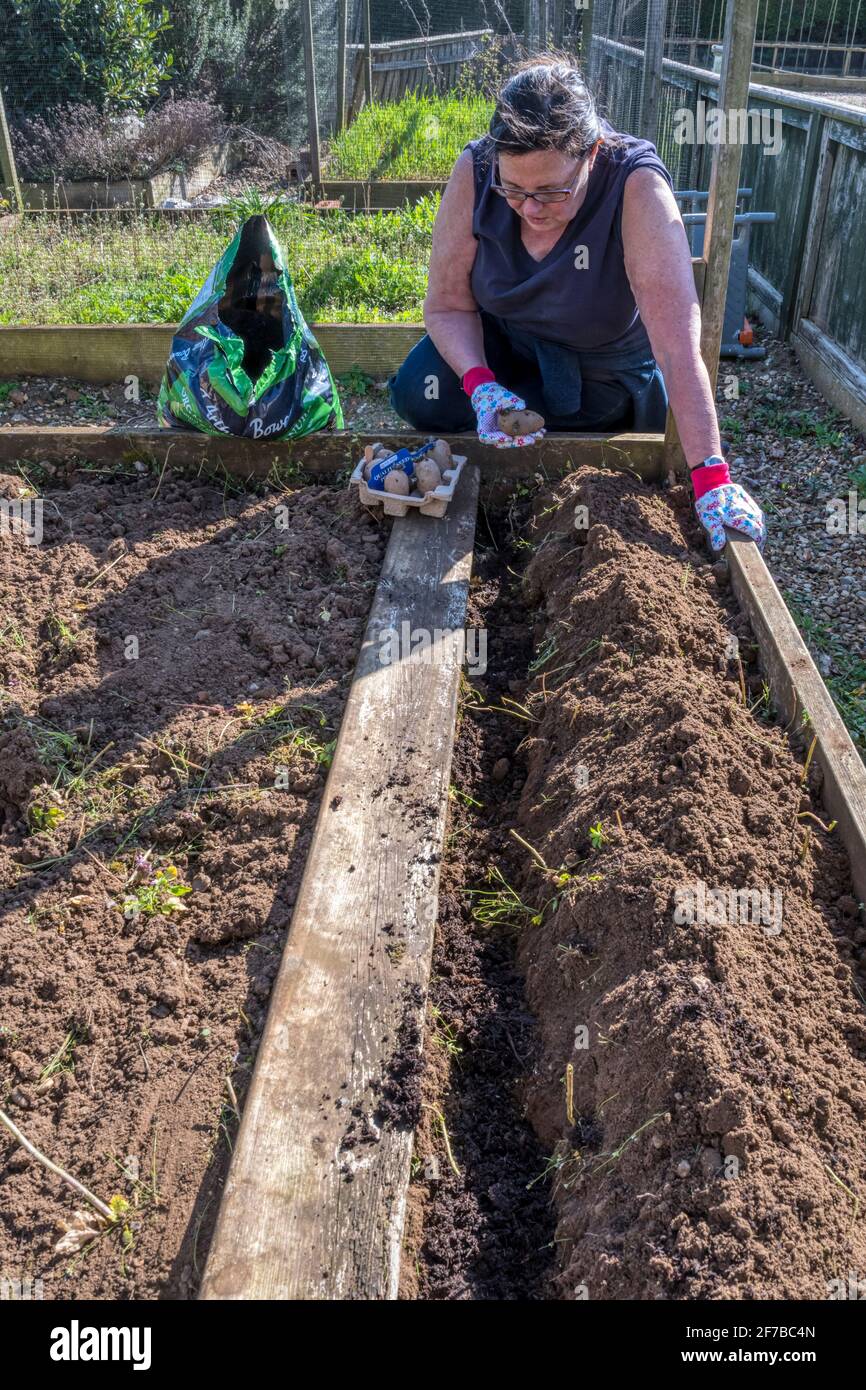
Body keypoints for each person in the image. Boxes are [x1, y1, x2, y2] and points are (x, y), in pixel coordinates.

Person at [388, 56, 765, 552]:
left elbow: (676, 345)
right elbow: (447, 306)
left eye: (552, 190)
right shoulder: (476, 170)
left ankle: (582, 431)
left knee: (586, 434)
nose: (530, 208)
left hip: (600, 367)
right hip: (507, 343)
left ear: (592, 154)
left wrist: (712, 476)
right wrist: (480, 386)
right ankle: (506, 408)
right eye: (514, 190)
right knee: (421, 394)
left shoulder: (635, 185)